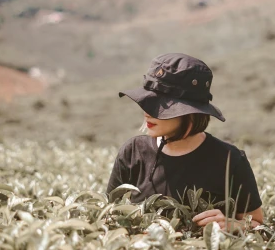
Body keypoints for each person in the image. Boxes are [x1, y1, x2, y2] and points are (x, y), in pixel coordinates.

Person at [107, 53, 264, 232]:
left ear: (190, 113)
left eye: (161, 106)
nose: (147, 113)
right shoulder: (133, 151)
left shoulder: (230, 160)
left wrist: (233, 225)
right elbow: (108, 214)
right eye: (148, 102)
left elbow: (257, 223)